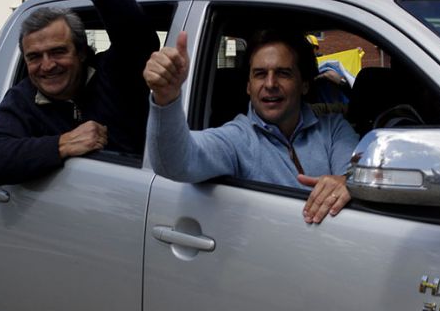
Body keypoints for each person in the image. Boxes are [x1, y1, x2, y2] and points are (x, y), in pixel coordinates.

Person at [0, 0, 159, 186]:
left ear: (82, 52)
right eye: (34, 57)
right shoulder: (24, 99)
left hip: (140, 202)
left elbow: (139, 39)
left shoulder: (114, 73)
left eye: (58, 51)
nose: (47, 65)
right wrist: (62, 144)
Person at [144, 30, 359, 224]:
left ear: (304, 84)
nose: (270, 84)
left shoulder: (333, 129)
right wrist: (166, 98)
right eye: (260, 74)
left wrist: (348, 183)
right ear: (248, 86)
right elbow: (174, 162)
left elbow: (358, 173)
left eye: (283, 73)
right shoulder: (237, 139)